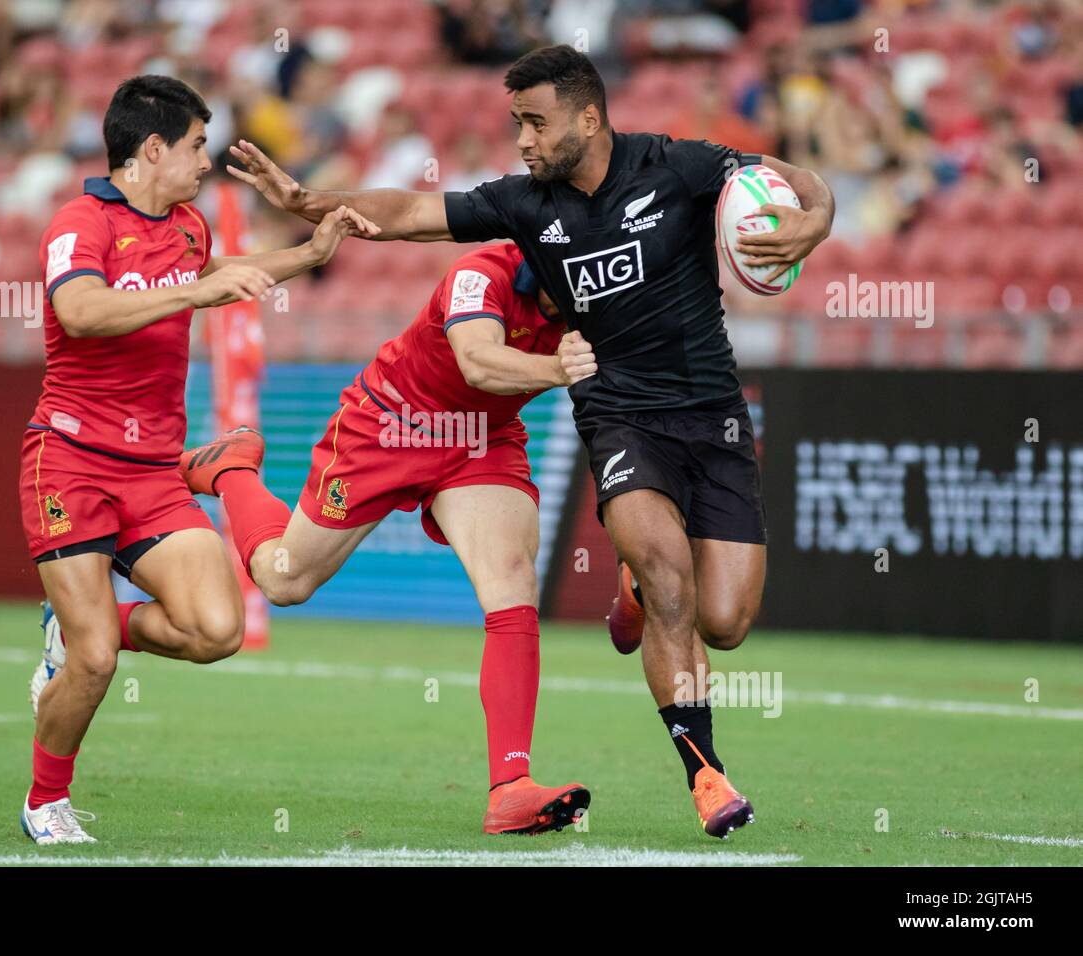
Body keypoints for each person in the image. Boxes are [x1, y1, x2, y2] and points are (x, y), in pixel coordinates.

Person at [225, 44, 835, 838]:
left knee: (719, 620)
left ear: (588, 117)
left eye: (535, 123)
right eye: (516, 123)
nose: (522, 140)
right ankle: (706, 775)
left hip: (686, 416)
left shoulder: (677, 166)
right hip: (532, 419)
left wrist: (813, 220)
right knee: (285, 582)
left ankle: (605, 642)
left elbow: (794, 178)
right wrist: (308, 200)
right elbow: (411, 216)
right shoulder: (518, 215)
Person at [18, 74, 373, 845]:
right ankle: (46, 800)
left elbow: (214, 278)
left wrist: (309, 254)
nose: (205, 162)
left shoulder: (186, 227)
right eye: (196, 146)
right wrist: (188, 297)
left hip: (152, 472)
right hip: (70, 462)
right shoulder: (77, 224)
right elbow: (80, 311)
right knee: (96, 666)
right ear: (152, 149)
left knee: (216, 631)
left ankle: (94, 625)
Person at [181, 241, 595, 834]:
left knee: (511, 578)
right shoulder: (484, 275)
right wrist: (561, 368)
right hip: (391, 423)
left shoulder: (603, 293)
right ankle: (232, 470)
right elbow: (479, 362)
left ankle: (510, 787)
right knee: (284, 580)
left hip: (481, 437)